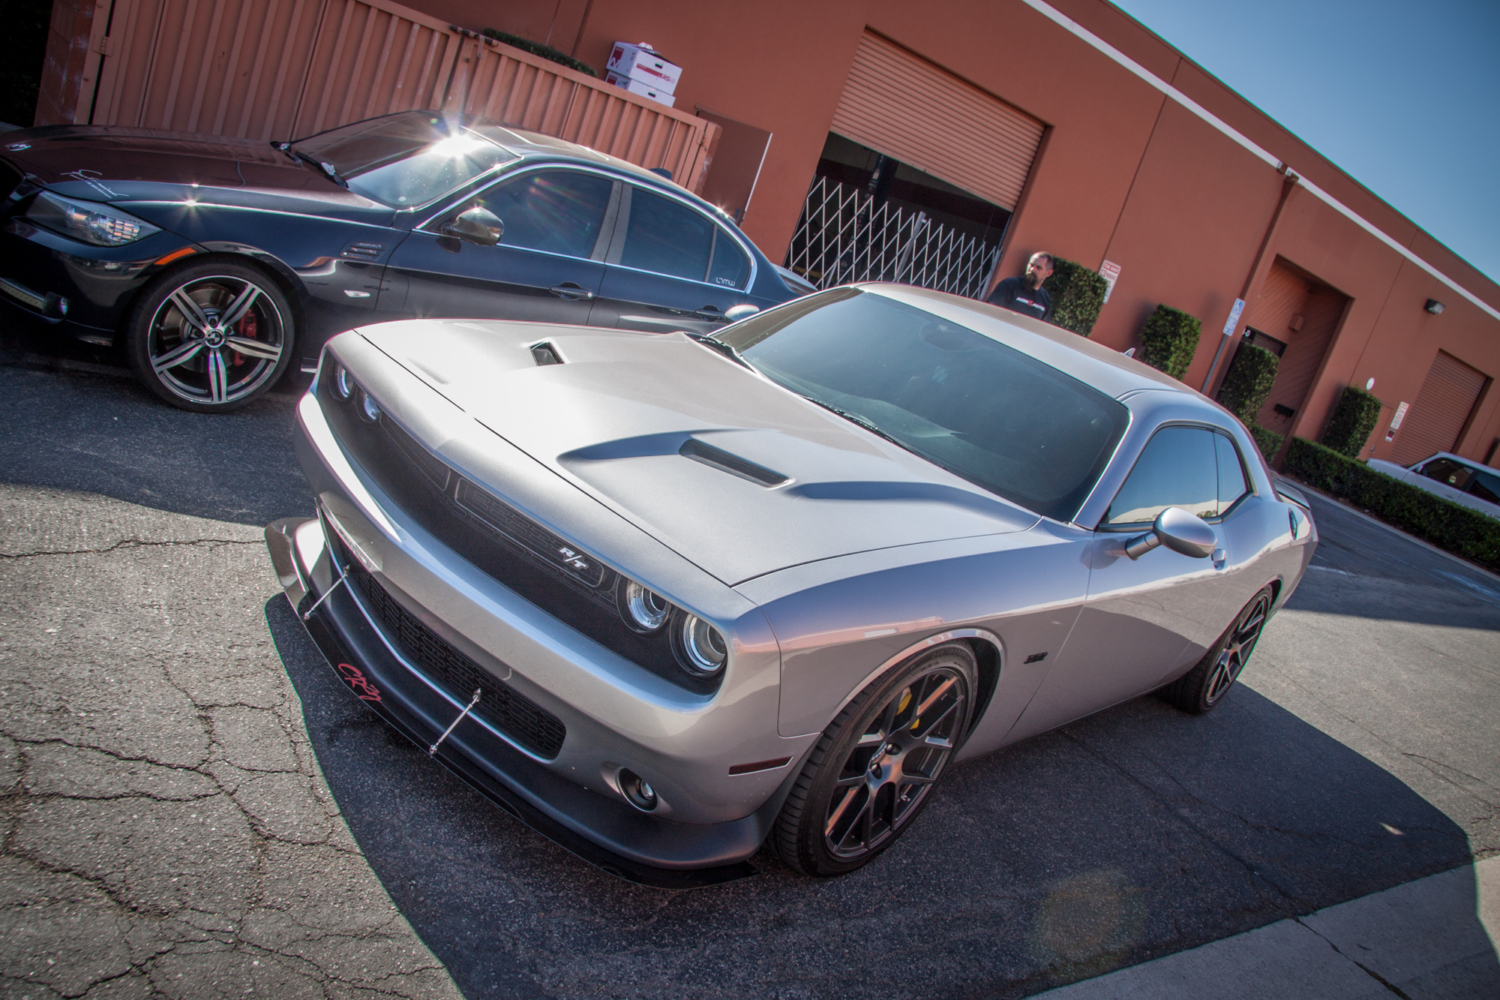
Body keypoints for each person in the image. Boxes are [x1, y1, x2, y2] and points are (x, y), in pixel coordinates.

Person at [986, 252, 1054, 322]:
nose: (1032, 269)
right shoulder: (1009, 285)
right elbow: (989, 312)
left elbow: (1041, 325)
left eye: (1038, 268)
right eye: (1031, 265)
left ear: (1048, 273)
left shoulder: (1045, 298)